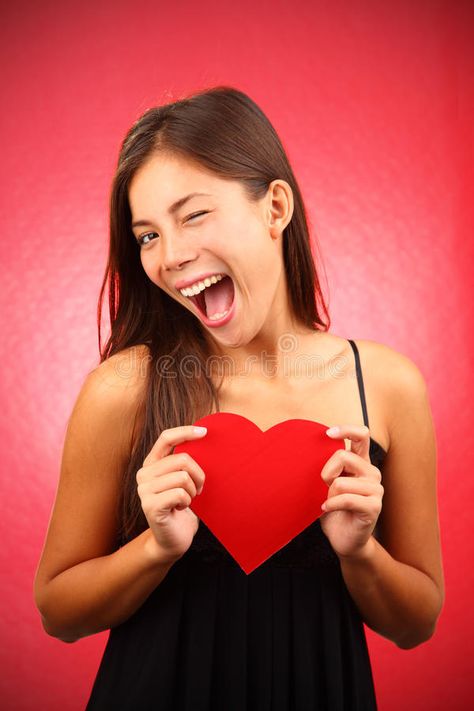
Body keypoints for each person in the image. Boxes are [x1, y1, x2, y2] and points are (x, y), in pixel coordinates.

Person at [33, 86, 445, 710]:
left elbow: (416, 624)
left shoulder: (388, 387)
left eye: (193, 215)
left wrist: (360, 552)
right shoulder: (124, 389)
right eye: (146, 235)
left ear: (275, 207)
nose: (170, 257)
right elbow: (59, 613)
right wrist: (156, 548)